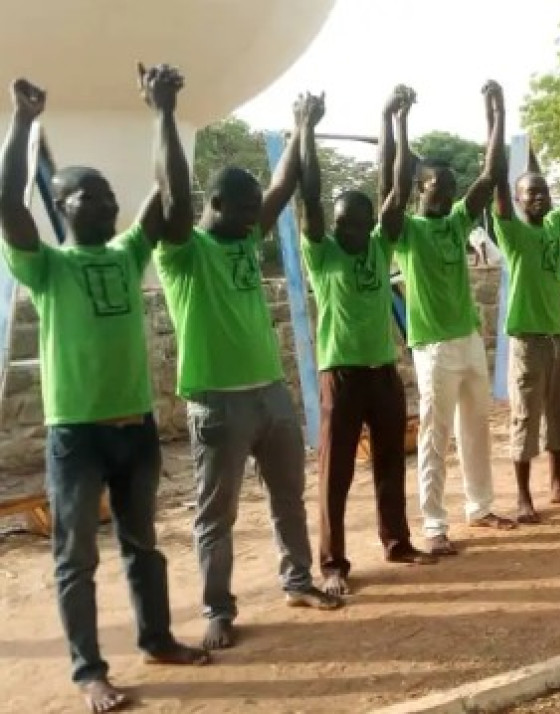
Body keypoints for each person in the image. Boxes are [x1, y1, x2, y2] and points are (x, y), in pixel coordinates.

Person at [0, 67, 209, 714]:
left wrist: (164, 112)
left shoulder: (126, 255)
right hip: (77, 437)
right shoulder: (47, 266)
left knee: (144, 543)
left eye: (109, 193)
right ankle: (89, 671)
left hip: (136, 429)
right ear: (64, 208)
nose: (109, 201)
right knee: (76, 557)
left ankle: (157, 637)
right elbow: (9, 206)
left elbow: (170, 192)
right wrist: (23, 125)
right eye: (93, 195)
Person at [155, 91, 343, 653]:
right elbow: (170, 192)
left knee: (288, 496)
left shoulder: (242, 237)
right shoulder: (183, 253)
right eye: (242, 212)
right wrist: (165, 113)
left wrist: (300, 126)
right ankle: (218, 609)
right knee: (217, 514)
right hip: (217, 403)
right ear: (213, 204)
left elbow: (281, 190)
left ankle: (298, 581)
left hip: (270, 396)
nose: (252, 222)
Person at [296, 89, 436, 597]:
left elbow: (394, 191)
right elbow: (309, 196)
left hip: (382, 372)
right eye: (343, 225)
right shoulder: (322, 253)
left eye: (358, 223)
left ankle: (396, 541)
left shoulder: (380, 244)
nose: (352, 231)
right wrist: (306, 131)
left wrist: (395, 122)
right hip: (341, 374)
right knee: (335, 473)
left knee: (388, 464)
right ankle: (332, 563)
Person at [384, 81, 514, 556]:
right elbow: (393, 188)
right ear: (422, 188)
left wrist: (495, 111)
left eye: (452, 189)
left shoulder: (458, 220)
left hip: (468, 339)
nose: (449, 193)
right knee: (433, 437)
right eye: (440, 186)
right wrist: (399, 122)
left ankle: (480, 507)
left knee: (476, 427)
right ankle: (434, 525)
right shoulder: (406, 232)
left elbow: (492, 172)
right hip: (433, 347)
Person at [490, 107, 560, 523]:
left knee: (558, 415)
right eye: (529, 193)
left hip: (555, 337)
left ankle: (558, 485)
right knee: (525, 418)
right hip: (527, 341)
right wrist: (495, 118)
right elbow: (498, 183)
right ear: (517, 201)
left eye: (543, 191)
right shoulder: (512, 232)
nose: (538, 197)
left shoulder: (554, 225)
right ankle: (522, 496)